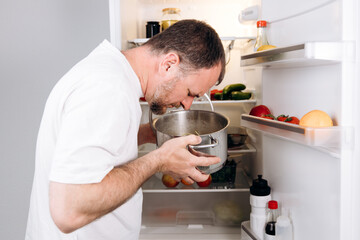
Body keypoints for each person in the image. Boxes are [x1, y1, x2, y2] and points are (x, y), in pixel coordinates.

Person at [25, 19, 225, 240]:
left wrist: (148, 133)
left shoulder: (109, 73)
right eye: (190, 93)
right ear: (169, 64)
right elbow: (69, 211)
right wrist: (158, 160)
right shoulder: (108, 88)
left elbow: (102, 146)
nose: (187, 105)